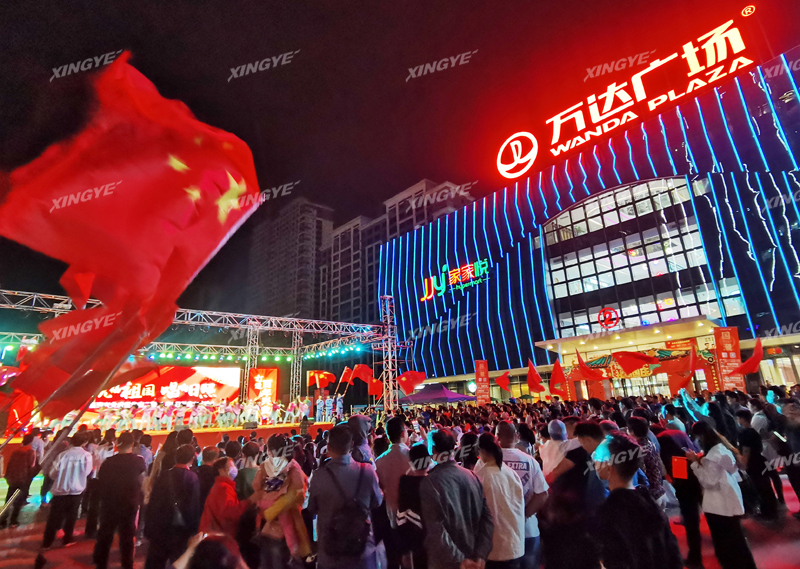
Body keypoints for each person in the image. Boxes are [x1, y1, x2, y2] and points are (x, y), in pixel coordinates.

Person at [592, 433, 683, 569]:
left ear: (609, 467)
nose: (594, 460)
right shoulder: (650, 504)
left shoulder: (608, 514)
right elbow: (672, 553)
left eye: (598, 456)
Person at [307, 424, 383, 569]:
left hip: (330, 554)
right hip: (362, 550)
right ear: (352, 445)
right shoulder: (367, 471)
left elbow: (312, 508)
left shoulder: (319, 476)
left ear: (328, 447)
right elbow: (377, 502)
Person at [419, 428, 493, 569]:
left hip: (447, 562)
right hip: (473, 557)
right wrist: (480, 555)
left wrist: (460, 560)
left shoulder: (430, 483)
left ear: (433, 450)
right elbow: (487, 519)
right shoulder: (472, 476)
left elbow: (436, 530)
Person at [686, 421, 757, 569]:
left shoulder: (713, 455)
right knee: (737, 539)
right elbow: (732, 470)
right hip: (730, 498)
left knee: (726, 541)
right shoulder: (723, 448)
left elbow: (709, 482)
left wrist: (694, 463)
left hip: (718, 505)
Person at [492, 421, 548, 569]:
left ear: (497, 437)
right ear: (516, 436)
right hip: (528, 530)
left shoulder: (488, 462)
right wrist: (523, 516)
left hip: (499, 532)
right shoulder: (530, 460)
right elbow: (542, 494)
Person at [93, 431, 147, 569]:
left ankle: (100, 563)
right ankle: (127, 564)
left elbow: (101, 480)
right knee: (127, 536)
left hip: (109, 502)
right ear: (132, 445)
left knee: (105, 534)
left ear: (117, 444)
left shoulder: (108, 462)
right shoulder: (138, 461)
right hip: (130, 502)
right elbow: (142, 480)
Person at [145, 444, 201, 569]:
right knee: (179, 561)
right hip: (181, 528)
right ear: (192, 459)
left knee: (156, 561)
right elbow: (193, 506)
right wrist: (193, 530)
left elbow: (153, 500)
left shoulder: (163, 475)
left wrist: (149, 525)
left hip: (160, 525)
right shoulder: (192, 477)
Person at [474, 433, 525, 569]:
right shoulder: (510, 473)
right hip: (515, 544)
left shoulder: (481, 476)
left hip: (495, 548)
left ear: (481, 451)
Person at [41, 431, 93, 548]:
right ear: (85, 442)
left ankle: (47, 542)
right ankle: (67, 539)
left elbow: (52, 473)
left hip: (60, 490)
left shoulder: (63, 455)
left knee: (54, 517)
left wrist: (62, 476)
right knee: (71, 516)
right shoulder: (86, 456)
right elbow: (86, 472)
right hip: (76, 490)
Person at [375, 416, 413, 569]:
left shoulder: (380, 461)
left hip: (391, 517)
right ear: (403, 433)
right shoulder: (413, 457)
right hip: (413, 518)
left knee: (394, 560)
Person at [735, 408, 778, 520]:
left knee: (760, 488)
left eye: (738, 418)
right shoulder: (753, 431)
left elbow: (746, 451)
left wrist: (744, 464)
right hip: (760, 461)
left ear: (742, 419)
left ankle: (767, 512)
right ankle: (771, 511)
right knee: (765, 487)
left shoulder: (745, 433)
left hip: (753, 464)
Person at [397, 443, 431, 569]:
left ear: (411, 463)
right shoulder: (435, 480)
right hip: (435, 539)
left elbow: (401, 517)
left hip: (414, 538)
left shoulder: (405, 482)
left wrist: (404, 550)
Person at [199, 457, 249, 538]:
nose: (234, 469)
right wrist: (249, 502)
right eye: (231, 466)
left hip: (216, 534)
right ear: (221, 470)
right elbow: (229, 512)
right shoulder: (223, 487)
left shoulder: (223, 486)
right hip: (218, 536)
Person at [0, 433, 37, 528]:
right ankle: (13, 521)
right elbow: (31, 467)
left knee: (9, 500)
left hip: (13, 479)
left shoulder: (15, 451)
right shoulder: (31, 452)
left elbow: (10, 465)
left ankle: (3, 520)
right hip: (23, 480)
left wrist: (8, 477)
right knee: (18, 502)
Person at [627, 416, 666, 504]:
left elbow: (642, 475)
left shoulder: (638, 450)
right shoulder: (650, 444)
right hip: (660, 491)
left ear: (632, 432)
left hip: (651, 497)